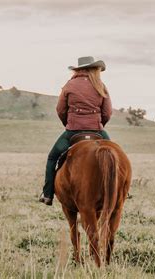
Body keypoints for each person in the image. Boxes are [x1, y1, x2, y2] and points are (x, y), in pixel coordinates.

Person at [39, 56, 112, 206]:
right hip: (97, 131)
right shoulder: (100, 85)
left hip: (73, 131)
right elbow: (107, 112)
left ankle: (47, 194)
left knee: (52, 158)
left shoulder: (69, 85)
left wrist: (70, 124)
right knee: (114, 158)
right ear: (94, 69)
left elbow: (60, 110)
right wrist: (98, 125)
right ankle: (121, 190)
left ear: (78, 69)